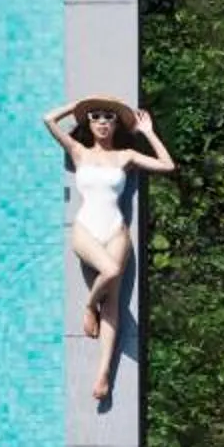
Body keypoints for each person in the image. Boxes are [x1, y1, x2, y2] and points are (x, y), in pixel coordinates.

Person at [42, 94, 175, 405]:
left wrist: (148, 132)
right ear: (88, 122)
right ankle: (90, 306)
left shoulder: (126, 156)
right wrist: (77, 105)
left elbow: (168, 165)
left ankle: (103, 374)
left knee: (113, 303)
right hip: (86, 230)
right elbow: (48, 119)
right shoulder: (78, 152)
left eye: (109, 117)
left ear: (117, 124)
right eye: (96, 116)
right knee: (112, 271)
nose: (102, 121)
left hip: (116, 232)